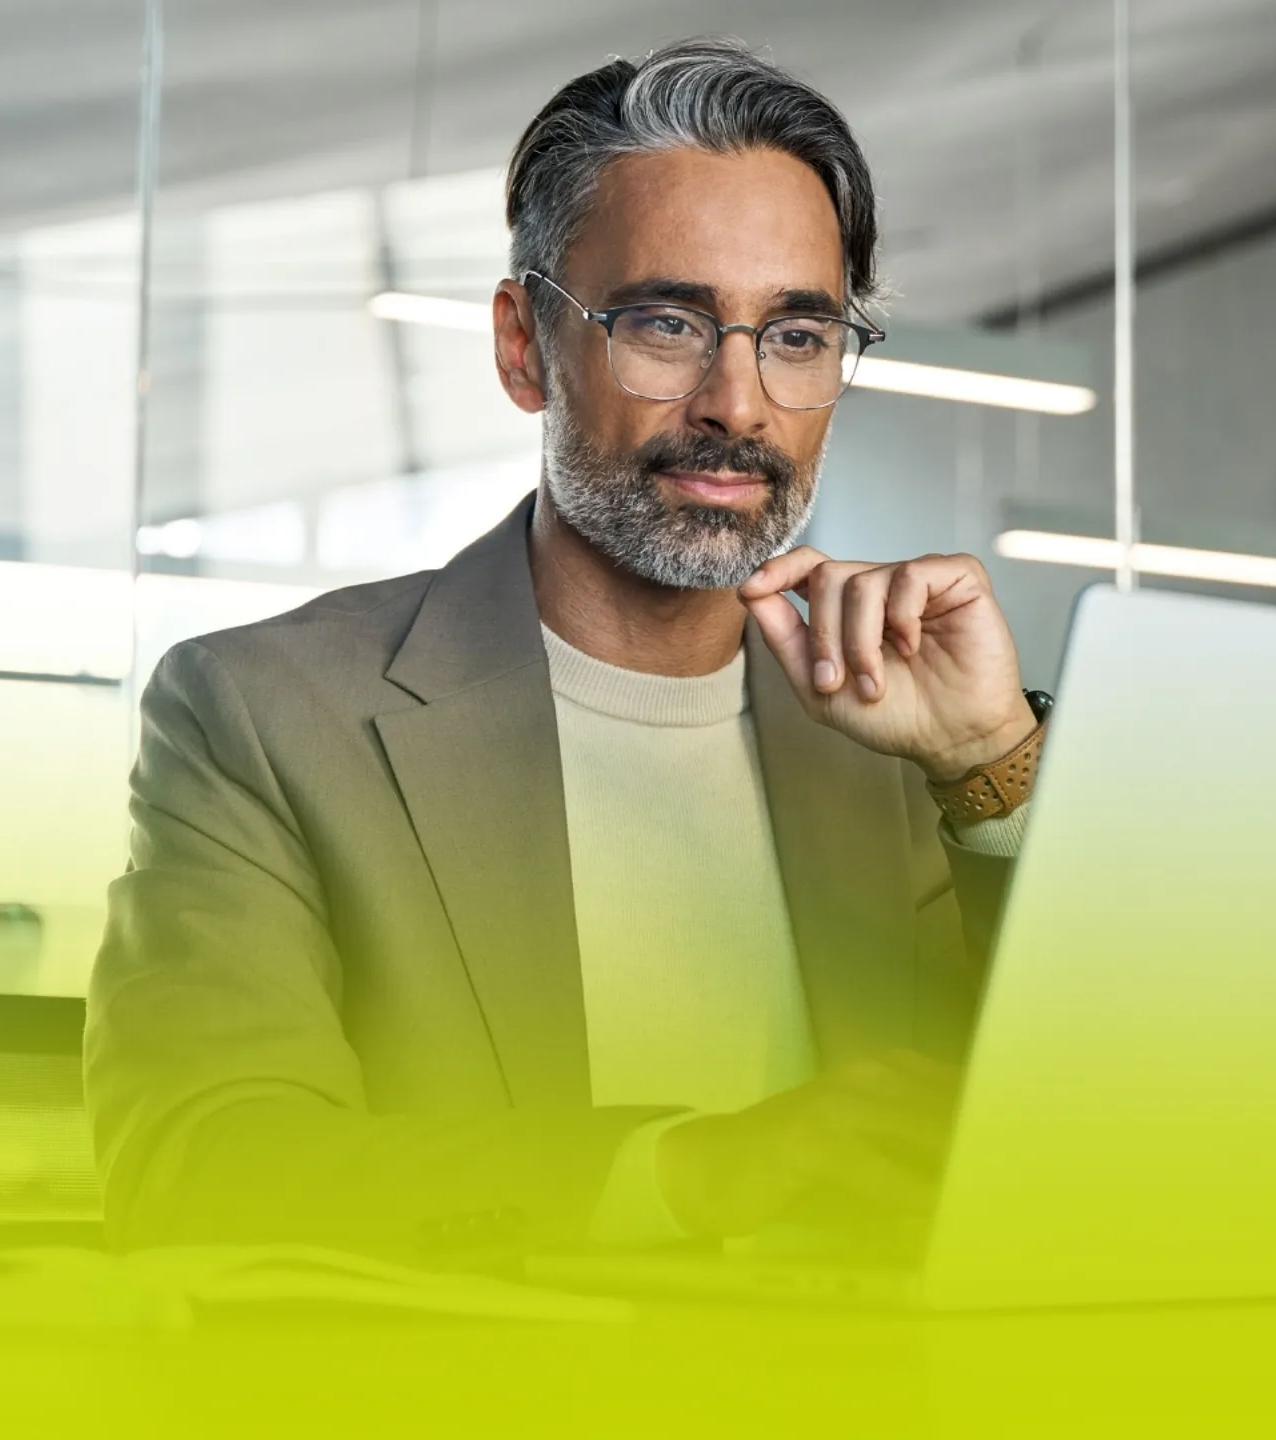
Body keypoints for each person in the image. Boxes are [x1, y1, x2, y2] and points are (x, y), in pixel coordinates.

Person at [84, 37, 1048, 1260]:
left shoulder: (913, 750)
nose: (738, 406)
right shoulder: (266, 715)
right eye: (665, 323)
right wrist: (694, 1170)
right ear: (523, 347)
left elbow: (1175, 1141)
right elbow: (198, 1173)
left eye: (796, 337)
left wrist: (990, 772)